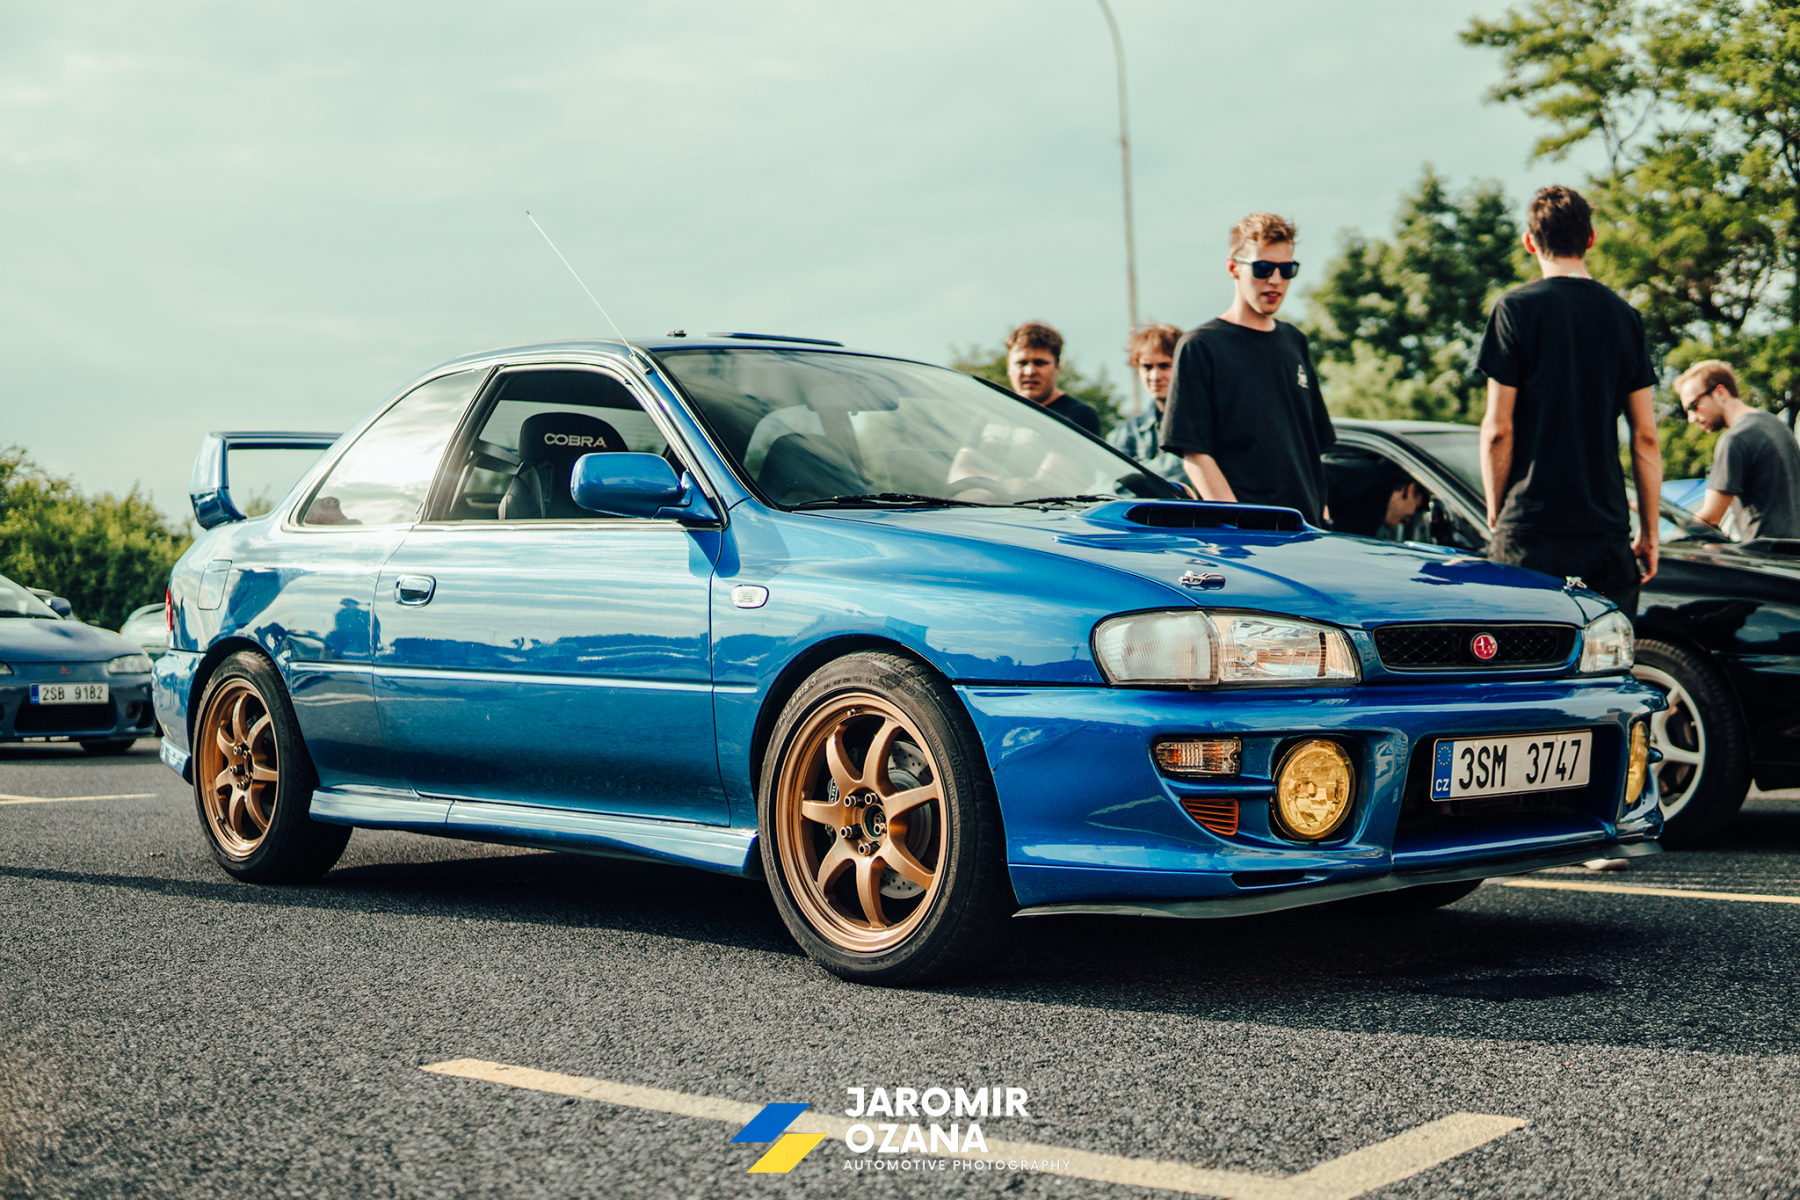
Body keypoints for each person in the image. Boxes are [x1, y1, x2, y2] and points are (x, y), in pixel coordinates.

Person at [1477, 185, 1662, 616]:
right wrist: (1650, 532)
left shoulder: (1514, 309)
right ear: (1591, 238)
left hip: (1531, 529)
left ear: (1530, 242)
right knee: (1605, 651)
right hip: (1605, 531)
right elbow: (1646, 436)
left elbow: (1498, 429)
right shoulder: (1626, 317)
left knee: (1524, 652)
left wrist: (1498, 512)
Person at [1159, 212, 1335, 524]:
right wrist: (1237, 526)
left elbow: (1311, 446)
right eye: (1263, 268)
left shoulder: (1295, 341)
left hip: (1306, 531)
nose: (1276, 280)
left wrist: (1322, 515)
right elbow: (1195, 454)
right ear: (1233, 267)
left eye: (1287, 269)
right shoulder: (1201, 346)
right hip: (1248, 535)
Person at [1675, 360, 1800, 540]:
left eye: (1694, 406)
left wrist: (1666, 539)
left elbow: (1709, 517)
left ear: (1720, 392)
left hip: (1764, 553)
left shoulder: (1735, 439)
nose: (1691, 418)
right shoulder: (1777, 425)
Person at [1106, 321, 1191, 490]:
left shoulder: (1204, 423)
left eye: (1164, 366)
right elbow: (1106, 484)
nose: (1155, 376)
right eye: (1147, 367)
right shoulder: (1125, 432)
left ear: (1185, 366)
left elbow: (1182, 470)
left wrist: (1132, 478)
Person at [1003, 321, 1101, 436]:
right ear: (1009, 367)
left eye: (1039, 363)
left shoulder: (1079, 416)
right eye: (1021, 363)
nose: (1029, 372)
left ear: (1057, 366)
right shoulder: (995, 412)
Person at [1330, 459, 1428, 539]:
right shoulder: (1373, 476)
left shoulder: (1375, 513)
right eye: (1417, 508)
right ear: (1410, 490)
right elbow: (1325, 479)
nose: (1407, 521)